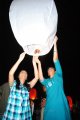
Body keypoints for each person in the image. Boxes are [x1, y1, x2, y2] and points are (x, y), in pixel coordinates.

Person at [36, 36, 71, 120]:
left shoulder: (58, 76)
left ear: (55, 71)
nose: (49, 69)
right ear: (48, 73)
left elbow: (55, 59)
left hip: (60, 107)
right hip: (49, 108)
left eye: (51, 68)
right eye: (48, 69)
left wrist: (55, 43)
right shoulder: (46, 81)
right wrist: (38, 63)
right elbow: (40, 78)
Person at [2, 52, 38, 120]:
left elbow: (36, 77)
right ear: (18, 76)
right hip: (11, 116)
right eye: (22, 72)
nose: (24, 74)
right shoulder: (13, 84)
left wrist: (34, 62)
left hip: (24, 116)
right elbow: (10, 73)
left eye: (25, 73)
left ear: (27, 77)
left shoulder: (28, 86)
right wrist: (20, 59)